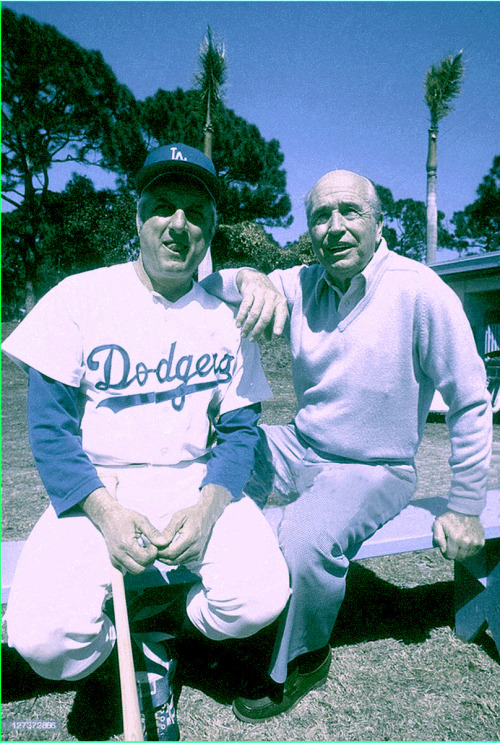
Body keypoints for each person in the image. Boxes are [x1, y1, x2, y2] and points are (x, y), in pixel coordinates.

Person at [2, 143, 291, 740]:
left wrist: (211, 506)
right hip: (96, 489)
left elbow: (240, 430)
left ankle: (166, 634)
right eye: (163, 206)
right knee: (42, 641)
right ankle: (119, 653)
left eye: (195, 211)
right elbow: (51, 431)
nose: (178, 224)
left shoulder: (226, 314)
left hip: (193, 482)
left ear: (211, 227)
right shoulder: (80, 298)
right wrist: (102, 511)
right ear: (138, 216)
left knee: (260, 598)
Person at [202, 168, 493, 721]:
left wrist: (466, 508)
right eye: (320, 216)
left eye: (349, 212)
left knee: (305, 542)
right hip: (300, 447)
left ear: (378, 222)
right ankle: (189, 617)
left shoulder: (418, 289)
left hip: (375, 466)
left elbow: (472, 399)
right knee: (210, 471)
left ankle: (303, 658)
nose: (334, 227)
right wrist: (251, 277)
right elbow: (209, 288)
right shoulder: (301, 283)